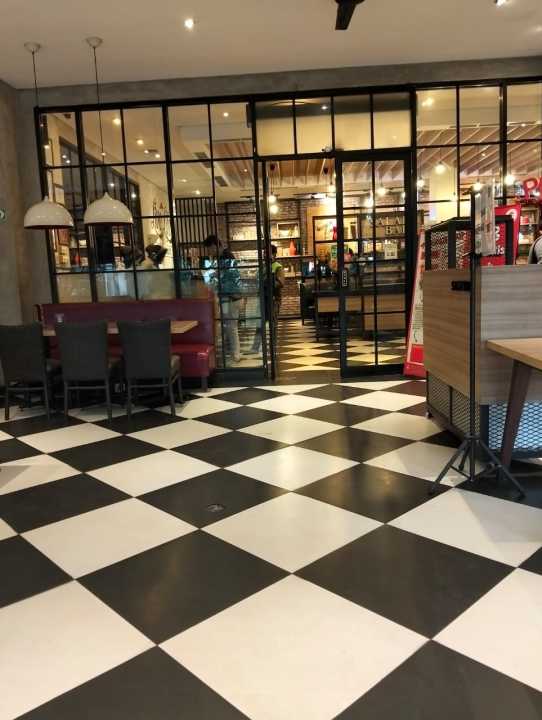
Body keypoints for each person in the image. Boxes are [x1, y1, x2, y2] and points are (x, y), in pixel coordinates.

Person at [203, 235, 243, 363]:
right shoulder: (222, 257)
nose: (209, 252)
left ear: (215, 246)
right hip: (230, 297)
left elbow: (223, 273)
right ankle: (233, 352)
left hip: (232, 297)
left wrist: (209, 275)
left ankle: (236, 354)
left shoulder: (226, 255)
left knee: (231, 326)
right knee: (228, 326)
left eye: (209, 249)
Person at [246, 244, 284, 354]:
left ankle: (272, 348)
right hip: (263, 298)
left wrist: (267, 283)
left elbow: (281, 283)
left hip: (273, 299)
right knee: (260, 324)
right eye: (264, 252)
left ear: (274, 254)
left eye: (267, 252)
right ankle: (255, 348)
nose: (264, 254)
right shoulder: (263, 266)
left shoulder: (278, 267)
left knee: (272, 324)